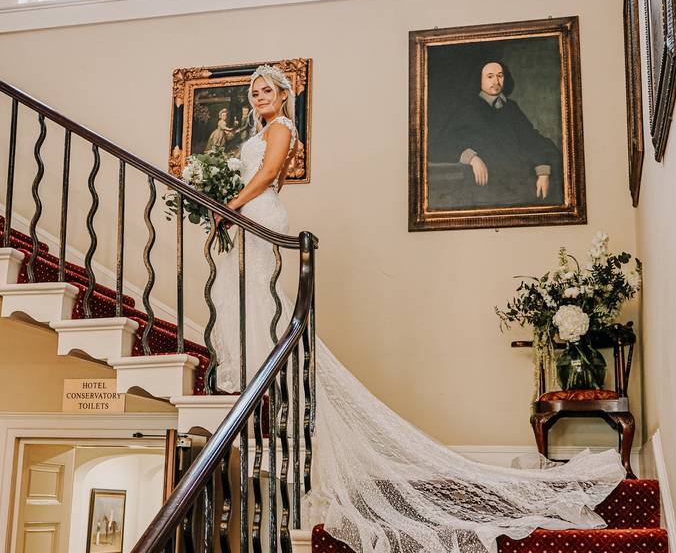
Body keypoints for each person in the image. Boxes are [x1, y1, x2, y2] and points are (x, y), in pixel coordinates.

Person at [209, 65, 624, 553]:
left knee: (267, 302)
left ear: (282, 96)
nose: (259, 97)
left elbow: (264, 176)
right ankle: (265, 387)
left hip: (258, 214)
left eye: (267, 90)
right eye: (253, 92)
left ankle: (272, 386)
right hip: (249, 218)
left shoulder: (281, 129)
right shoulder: (258, 129)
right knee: (256, 301)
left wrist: (230, 204)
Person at [432, 61, 562, 207]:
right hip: (487, 190)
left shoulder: (511, 107)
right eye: (490, 76)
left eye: (500, 76)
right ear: (479, 80)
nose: (496, 81)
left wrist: (543, 171)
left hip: (521, 185)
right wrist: (472, 158)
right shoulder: (467, 109)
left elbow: (531, 139)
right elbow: (442, 143)